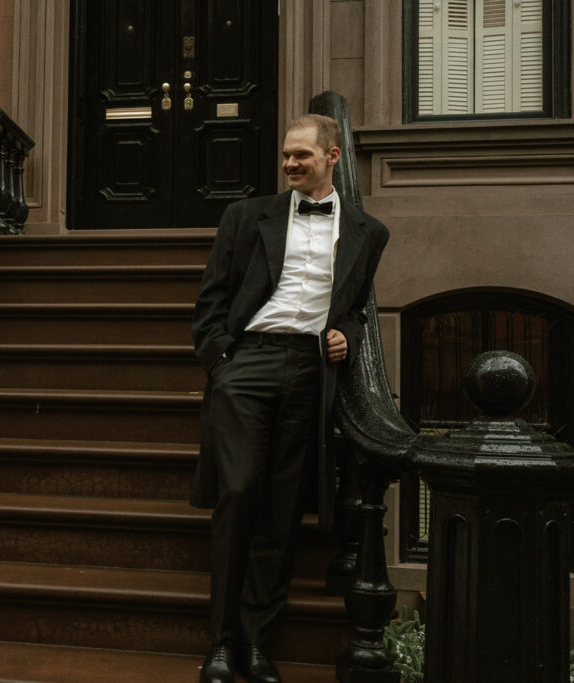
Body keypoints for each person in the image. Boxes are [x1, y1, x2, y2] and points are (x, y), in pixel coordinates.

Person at [191, 114, 389, 683]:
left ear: (332, 158)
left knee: (281, 509)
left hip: (309, 371)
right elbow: (212, 299)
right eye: (285, 155)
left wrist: (345, 336)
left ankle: (256, 641)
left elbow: (354, 308)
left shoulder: (367, 232)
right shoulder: (246, 217)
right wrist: (221, 360)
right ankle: (222, 644)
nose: (288, 164)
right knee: (239, 492)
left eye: (301, 155)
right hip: (247, 363)